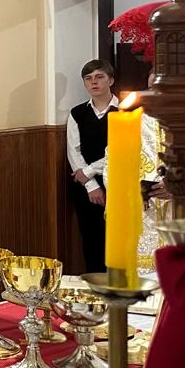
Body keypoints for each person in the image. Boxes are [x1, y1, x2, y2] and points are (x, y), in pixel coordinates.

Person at [67, 59, 118, 274]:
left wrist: (88, 171)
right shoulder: (77, 113)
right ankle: (95, 288)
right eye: (88, 79)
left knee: (117, 240)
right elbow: (74, 150)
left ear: (111, 80)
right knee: (91, 240)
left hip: (118, 183)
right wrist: (91, 185)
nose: (93, 82)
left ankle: (117, 287)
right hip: (87, 189)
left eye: (99, 77)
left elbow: (120, 151)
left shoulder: (127, 111)